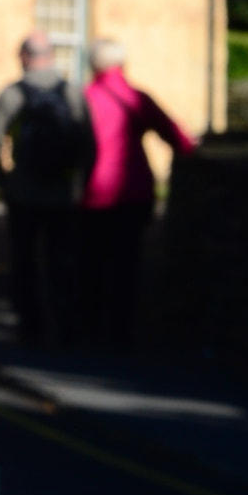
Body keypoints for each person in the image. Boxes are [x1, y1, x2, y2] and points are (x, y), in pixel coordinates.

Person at [81, 38, 195, 349]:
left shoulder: (83, 99)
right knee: (126, 265)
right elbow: (179, 139)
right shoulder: (137, 98)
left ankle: (89, 329)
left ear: (93, 65)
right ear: (122, 65)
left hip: (90, 196)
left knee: (90, 265)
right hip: (133, 193)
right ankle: (120, 333)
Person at [0, 33, 92, 347]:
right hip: (61, 194)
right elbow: (89, 143)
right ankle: (66, 326)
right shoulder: (71, 92)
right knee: (62, 260)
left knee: (24, 261)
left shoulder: (12, 94)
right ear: (51, 56)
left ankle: (29, 327)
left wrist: (5, 183)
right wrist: (79, 184)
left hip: (23, 195)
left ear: (23, 56)